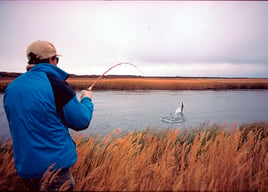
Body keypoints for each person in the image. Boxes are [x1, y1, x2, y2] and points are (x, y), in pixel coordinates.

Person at [3, 40, 94, 191]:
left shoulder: (11, 88)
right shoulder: (56, 85)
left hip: (26, 171)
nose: (57, 62)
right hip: (55, 173)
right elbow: (81, 121)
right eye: (56, 59)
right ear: (52, 60)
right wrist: (86, 99)